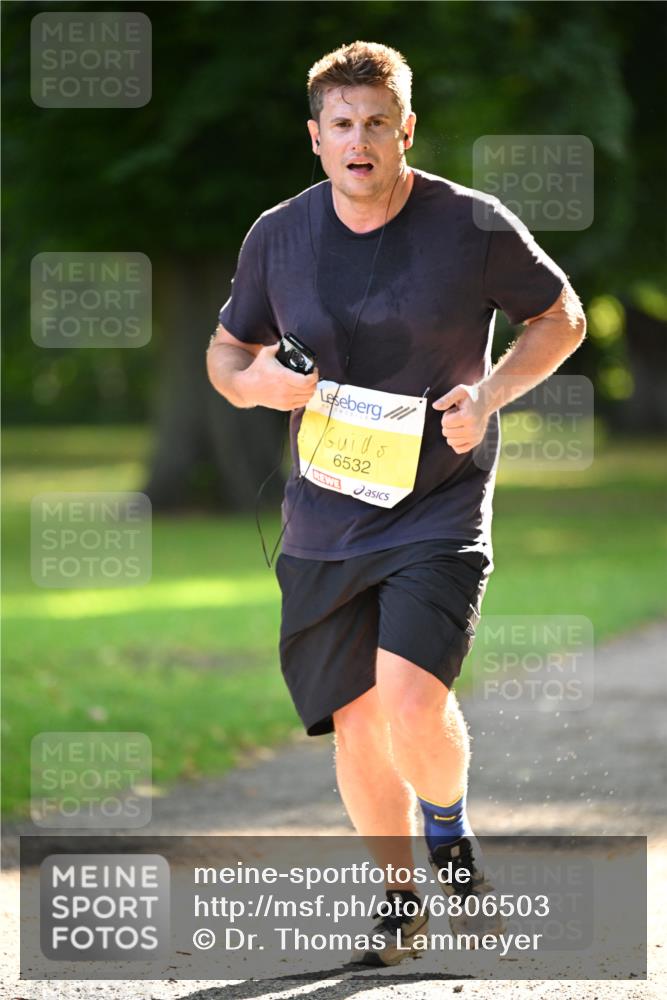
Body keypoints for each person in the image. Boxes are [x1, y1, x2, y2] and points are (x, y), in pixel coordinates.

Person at [207, 40, 586, 966]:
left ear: (405, 129)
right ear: (315, 137)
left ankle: (448, 836)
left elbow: (562, 316)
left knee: (411, 702)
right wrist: (257, 385)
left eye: (377, 122)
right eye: (342, 124)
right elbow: (225, 353)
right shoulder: (278, 235)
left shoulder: (471, 224)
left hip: (436, 505)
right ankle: (399, 897)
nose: (360, 140)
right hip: (324, 515)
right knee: (356, 719)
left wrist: (488, 395)